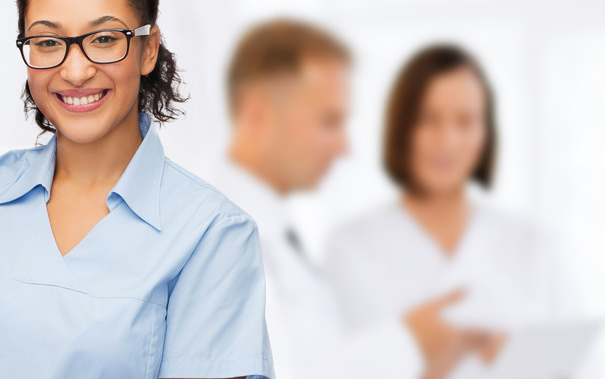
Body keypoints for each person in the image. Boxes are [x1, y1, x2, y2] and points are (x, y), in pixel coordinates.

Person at [0, 0, 274, 379]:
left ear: (148, 49)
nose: (75, 71)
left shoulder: (212, 234)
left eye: (104, 39)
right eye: (48, 41)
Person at [205, 20, 498, 379]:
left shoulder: (277, 236)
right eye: (329, 122)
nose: (344, 147)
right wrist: (410, 341)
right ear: (257, 114)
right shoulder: (214, 241)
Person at [323, 44, 590, 377]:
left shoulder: (535, 245)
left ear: (486, 132)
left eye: (465, 121)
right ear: (401, 126)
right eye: (428, 120)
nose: (447, 140)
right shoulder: (350, 247)